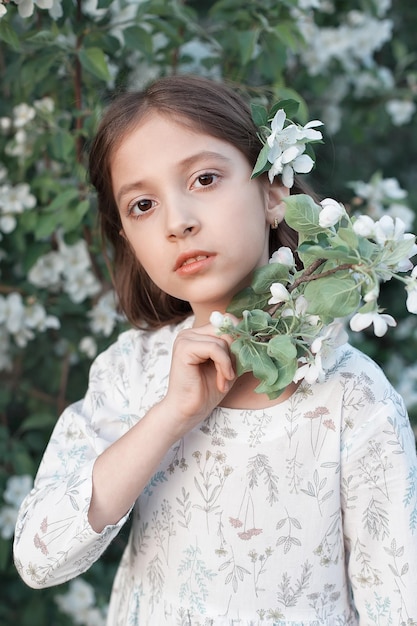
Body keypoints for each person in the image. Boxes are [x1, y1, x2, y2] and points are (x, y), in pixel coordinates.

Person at [14, 75, 417, 626]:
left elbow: (397, 602)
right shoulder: (130, 373)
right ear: (127, 236)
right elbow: (38, 558)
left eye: (204, 178)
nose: (178, 221)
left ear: (274, 191)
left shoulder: (352, 398)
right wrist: (167, 417)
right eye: (142, 205)